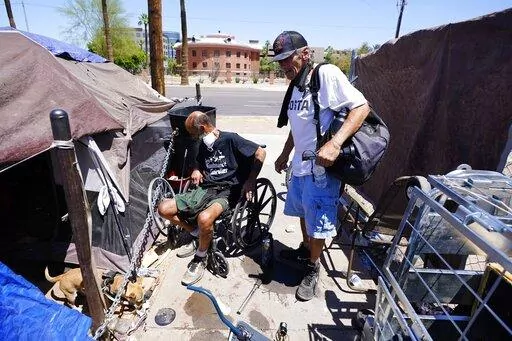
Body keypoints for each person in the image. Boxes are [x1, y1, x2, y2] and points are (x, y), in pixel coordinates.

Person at [272, 31, 370, 301]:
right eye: (279, 61)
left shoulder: (325, 74)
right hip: (300, 167)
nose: (283, 66)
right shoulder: (296, 83)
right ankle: (306, 252)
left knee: (318, 223)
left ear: (305, 54)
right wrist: (284, 154)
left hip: (321, 172)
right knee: (305, 214)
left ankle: (313, 269)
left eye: (287, 58)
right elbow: (298, 125)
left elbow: (361, 107)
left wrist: (335, 143)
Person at [158, 110, 266, 285]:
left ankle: (200, 256)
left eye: (195, 134)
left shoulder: (230, 139)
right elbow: (199, 163)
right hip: (207, 189)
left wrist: (251, 180)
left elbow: (260, 153)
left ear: (202, 127)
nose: (195, 138)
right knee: (163, 209)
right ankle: (196, 232)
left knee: (204, 217)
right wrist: (195, 169)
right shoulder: (203, 145)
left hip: (228, 191)